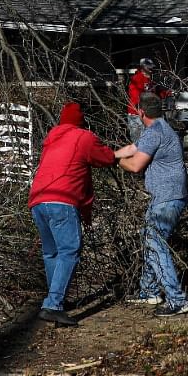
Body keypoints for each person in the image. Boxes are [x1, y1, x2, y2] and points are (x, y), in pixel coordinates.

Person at [27, 102, 119, 326]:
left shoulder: (52, 138)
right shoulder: (83, 137)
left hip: (38, 199)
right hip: (62, 200)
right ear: (81, 120)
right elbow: (106, 158)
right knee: (69, 251)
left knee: (52, 253)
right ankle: (53, 305)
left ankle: (54, 299)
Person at [116, 92, 188, 317]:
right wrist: (106, 154)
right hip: (167, 196)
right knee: (150, 240)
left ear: (140, 112)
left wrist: (116, 162)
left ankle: (178, 300)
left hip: (167, 197)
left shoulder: (155, 131)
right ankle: (149, 291)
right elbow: (132, 148)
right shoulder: (160, 129)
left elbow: (135, 164)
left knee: (155, 243)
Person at [126, 57, 171, 142]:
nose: (151, 69)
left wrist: (168, 93)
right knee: (139, 141)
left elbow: (156, 92)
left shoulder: (149, 80)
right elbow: (136, 97)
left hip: (147, 113)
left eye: (152, 67)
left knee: (149, 140)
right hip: (136, 114)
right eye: (149, 67)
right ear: (142, 67)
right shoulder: (136, 79)